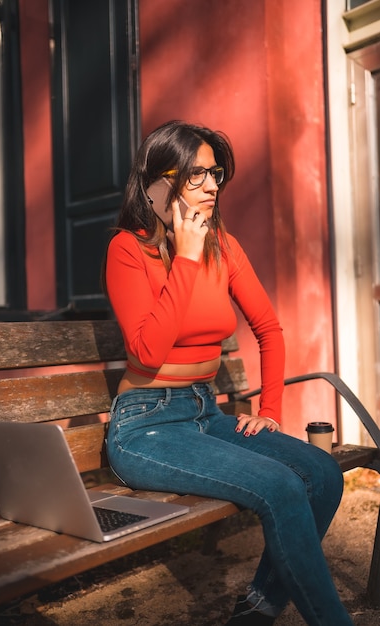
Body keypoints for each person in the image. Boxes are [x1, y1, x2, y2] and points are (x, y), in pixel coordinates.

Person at [102, 120, 354, 626]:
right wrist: (187, 260)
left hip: (205, 410)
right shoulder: (127, 251)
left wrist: (270, 411)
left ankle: (259, 609)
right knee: (282, 486)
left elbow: (270, 329)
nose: (213, 184)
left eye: (215, 173)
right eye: (197, 174)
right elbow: (147, 353)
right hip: (145, 426)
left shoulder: (224, 246)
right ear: (157, 183)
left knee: (323, 474)